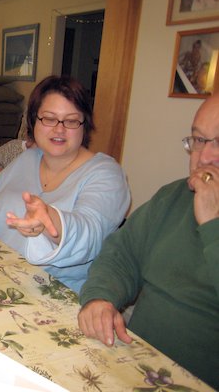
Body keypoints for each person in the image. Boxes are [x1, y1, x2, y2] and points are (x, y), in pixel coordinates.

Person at [77, 94, 219, 389]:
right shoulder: (174, 196)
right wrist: (101, 296)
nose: (204, 157)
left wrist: (212, 225)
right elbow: (122, 253)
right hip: (135, 363)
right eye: (198, 140)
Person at [0, 75, 130, 292]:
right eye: (49, 118)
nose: (59, 129)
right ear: (33, 120)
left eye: (71, 120)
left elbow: (91, 233)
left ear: (84, 124)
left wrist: (51, 221)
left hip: (51, 291)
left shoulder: (106, 173)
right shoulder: (28, 158)